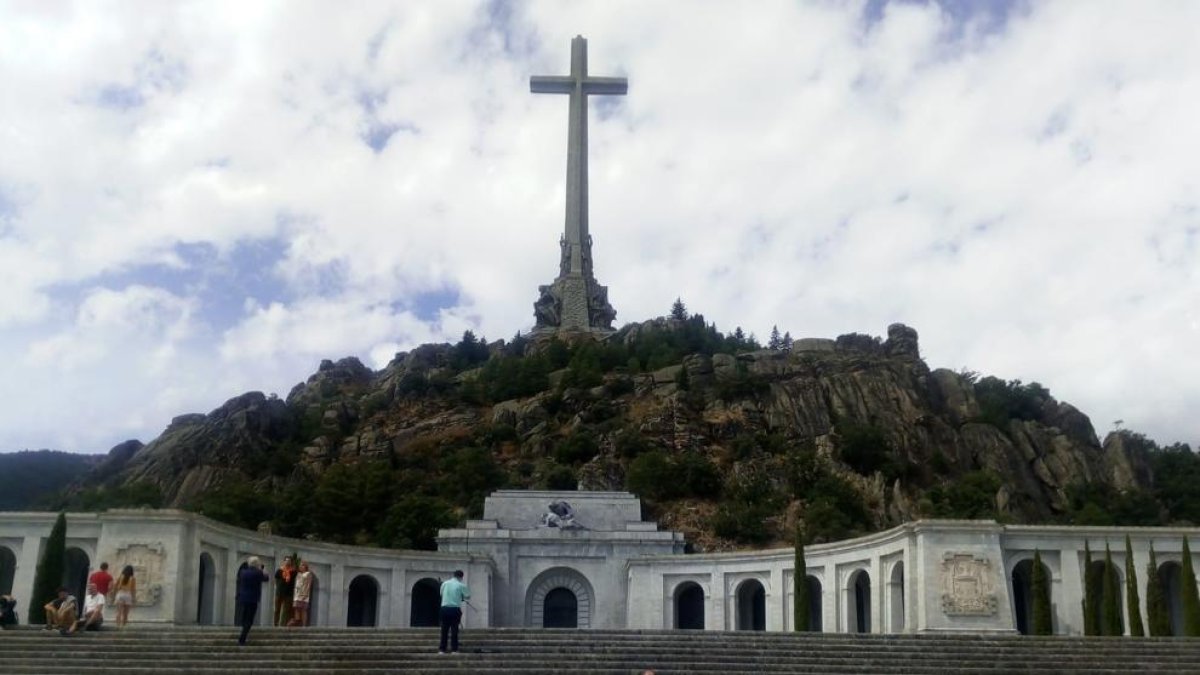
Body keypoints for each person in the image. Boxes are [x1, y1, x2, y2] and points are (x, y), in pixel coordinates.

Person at [236, 556, 269, 645]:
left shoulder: (242, 572)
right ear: (257, 564)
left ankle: (243, 630)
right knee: (249, 620)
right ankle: (242, 638)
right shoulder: (258, 573)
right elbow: (266, 578)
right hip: (252, 598)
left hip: (243, 597)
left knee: (244, 616)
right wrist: (263, 569)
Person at [438, 570, 470, 654]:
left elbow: (441, 594)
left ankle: (442, 649)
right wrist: (461, 596)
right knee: (454, 630)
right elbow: (468, 596)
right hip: (455, 609)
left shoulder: (444, 583)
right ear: (461, 577)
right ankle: (454, 649)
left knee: (444, 630)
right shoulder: (461, 585)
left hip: (444, 608)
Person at [290, 561, 315, 627]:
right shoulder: (298, 574)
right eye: (300, 565)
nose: (301, 567)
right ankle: (298, 624)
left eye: (302, 565)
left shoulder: (308, 574)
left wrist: (306, 593)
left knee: (303, 610)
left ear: (305, 567)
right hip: (297, 594)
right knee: (297, 609)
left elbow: (309, 584)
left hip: (304, 594)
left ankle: (304, 625)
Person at [273, 555, 296, 626]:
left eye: (289, 561)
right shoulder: (279, 570)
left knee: (285, 611)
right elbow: (276, 580)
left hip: (288, 594)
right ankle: (275, 624)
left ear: (291, 562)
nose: (287, 562)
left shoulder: (293, 572)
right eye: (286, 560)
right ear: (284, 561)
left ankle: (282, 625)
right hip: (279, 593)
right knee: (277, 609)